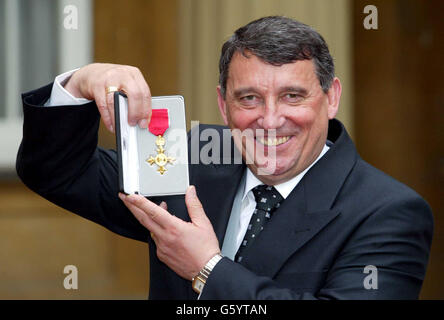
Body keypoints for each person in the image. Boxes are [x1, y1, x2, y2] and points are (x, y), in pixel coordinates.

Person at [16, 16, 433, 299]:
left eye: (292, 96)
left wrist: (208, 269)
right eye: (248, 98)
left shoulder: (389, 211)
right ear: (223, 104)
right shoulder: (192, 158)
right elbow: (57, 172)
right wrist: (80, 82)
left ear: (332, 97)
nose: (270, 120)